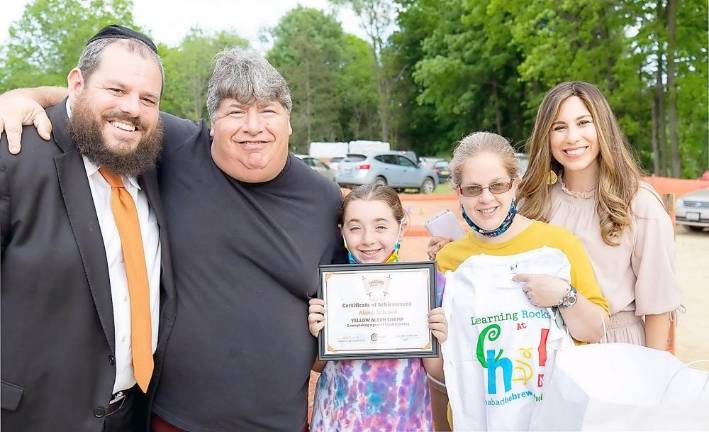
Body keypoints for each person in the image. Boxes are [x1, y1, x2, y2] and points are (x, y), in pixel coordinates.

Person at [0, 48, 346, 430]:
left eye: (268, 111)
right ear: (212, 123)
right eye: (235, 111)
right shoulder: (180, 146)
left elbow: (343, 307)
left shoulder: (325, 199)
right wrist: (22, 97)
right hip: (172, 419)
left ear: (289, 122)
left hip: (279, 422)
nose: (253, 126)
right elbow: (110, 104)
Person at [0, 25, 176, 432]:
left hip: (132, 415)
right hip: (33, 418)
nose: (132, 108)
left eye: (148, 98)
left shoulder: (154, 162)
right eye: (116, 90)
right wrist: (20, 96)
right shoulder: (15, 157)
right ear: (76, 84)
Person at [431, 131, 609, 430]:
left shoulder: (558, 245)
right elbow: (442, 371)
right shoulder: (448, 260)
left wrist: (565, 296)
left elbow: (595, 330)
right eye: (473, 189)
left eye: (498, 185)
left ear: (515, 184)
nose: (486, 198)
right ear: (458, 191)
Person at [516, 81, 681, 348]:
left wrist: (655, 375)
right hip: (549, 347)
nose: (572, 137)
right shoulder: (534, 203)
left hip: (617, 347)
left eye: (583, 122)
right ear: (546, 136)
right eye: (559, 127)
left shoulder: (639, 203)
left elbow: (658, 306)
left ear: (603, 127)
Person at [306, 184, 447, 431]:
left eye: (381, 227)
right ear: (342, 232)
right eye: (355, 228)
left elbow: (438, 376)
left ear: (402, 228)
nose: (368, 239)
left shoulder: (428, 286)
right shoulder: (330, 287)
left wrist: (436, 338)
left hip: (403, 419)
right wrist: (320, 333)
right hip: (339, 420)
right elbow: (318, 365)